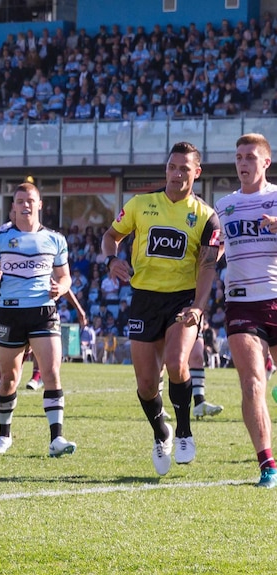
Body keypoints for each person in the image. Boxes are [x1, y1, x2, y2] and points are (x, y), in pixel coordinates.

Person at [102, 141, 221, 476]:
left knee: (176, 361)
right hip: (144, 299)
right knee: (145, 383)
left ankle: (184, 429)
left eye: (184, 168)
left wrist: (198, 306)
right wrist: (112, 259)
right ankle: (162, 433)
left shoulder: (205, 216)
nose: (177, 173)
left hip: (182, 299)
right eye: (172, 166)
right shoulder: (141, 204)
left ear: (197, 173)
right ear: (165, 169)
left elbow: (209, 266)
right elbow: (111, 236)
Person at [0, 182, 76, 457]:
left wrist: (62, 287)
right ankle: (4, 436)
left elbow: (65, 275)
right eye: (19, 200)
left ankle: (56, 439)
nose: (25, 205)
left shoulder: (55, 239)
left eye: (29, 200)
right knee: (9, 378)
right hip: (10, 311)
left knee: (51, 372)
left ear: (39, 204)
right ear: (13, 206)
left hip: (43, 311)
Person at [215, 132, 277, 487]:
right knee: (253, 383)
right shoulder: (224, 206)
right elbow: (213, 251)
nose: (243, 163)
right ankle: (267, 463)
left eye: (250, 157)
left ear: (265, 162)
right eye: (239, 157)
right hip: (241, 303)